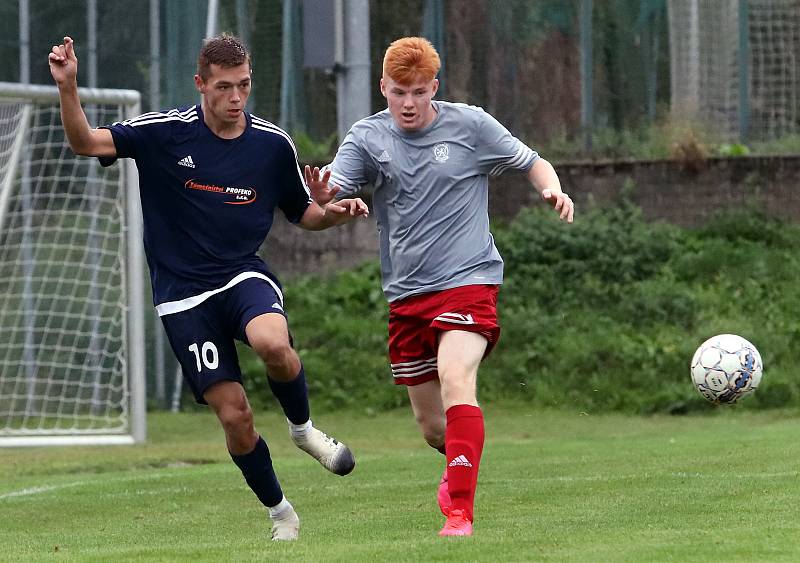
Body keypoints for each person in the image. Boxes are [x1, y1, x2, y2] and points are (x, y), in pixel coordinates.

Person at [48, 34, 368, 542]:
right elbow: (86, 142)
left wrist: (331, 214)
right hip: (181, 295)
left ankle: (304, 429)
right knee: (235, 416)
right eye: (224, 87)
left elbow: (303, 213)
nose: (236, 98)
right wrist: (69, 87)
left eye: (243, 85)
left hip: (242, 272)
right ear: (201, 84)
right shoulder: (164, 133)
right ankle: (281, 512)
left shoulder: (271, 143)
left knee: (273, 344)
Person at [309, 36, 574, 537]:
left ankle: (460, 513)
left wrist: (551, 187)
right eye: (398, 93)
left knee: (457, 379)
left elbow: (532, 160)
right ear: (382, 86)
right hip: (407, 296)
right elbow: (326, 197)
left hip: (469, 281)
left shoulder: (470, 125)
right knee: (434, 428)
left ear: (435, 87)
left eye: (418, 92)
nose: (408, 104)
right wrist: (327, 198)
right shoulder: (367, 138)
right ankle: (456, 464)